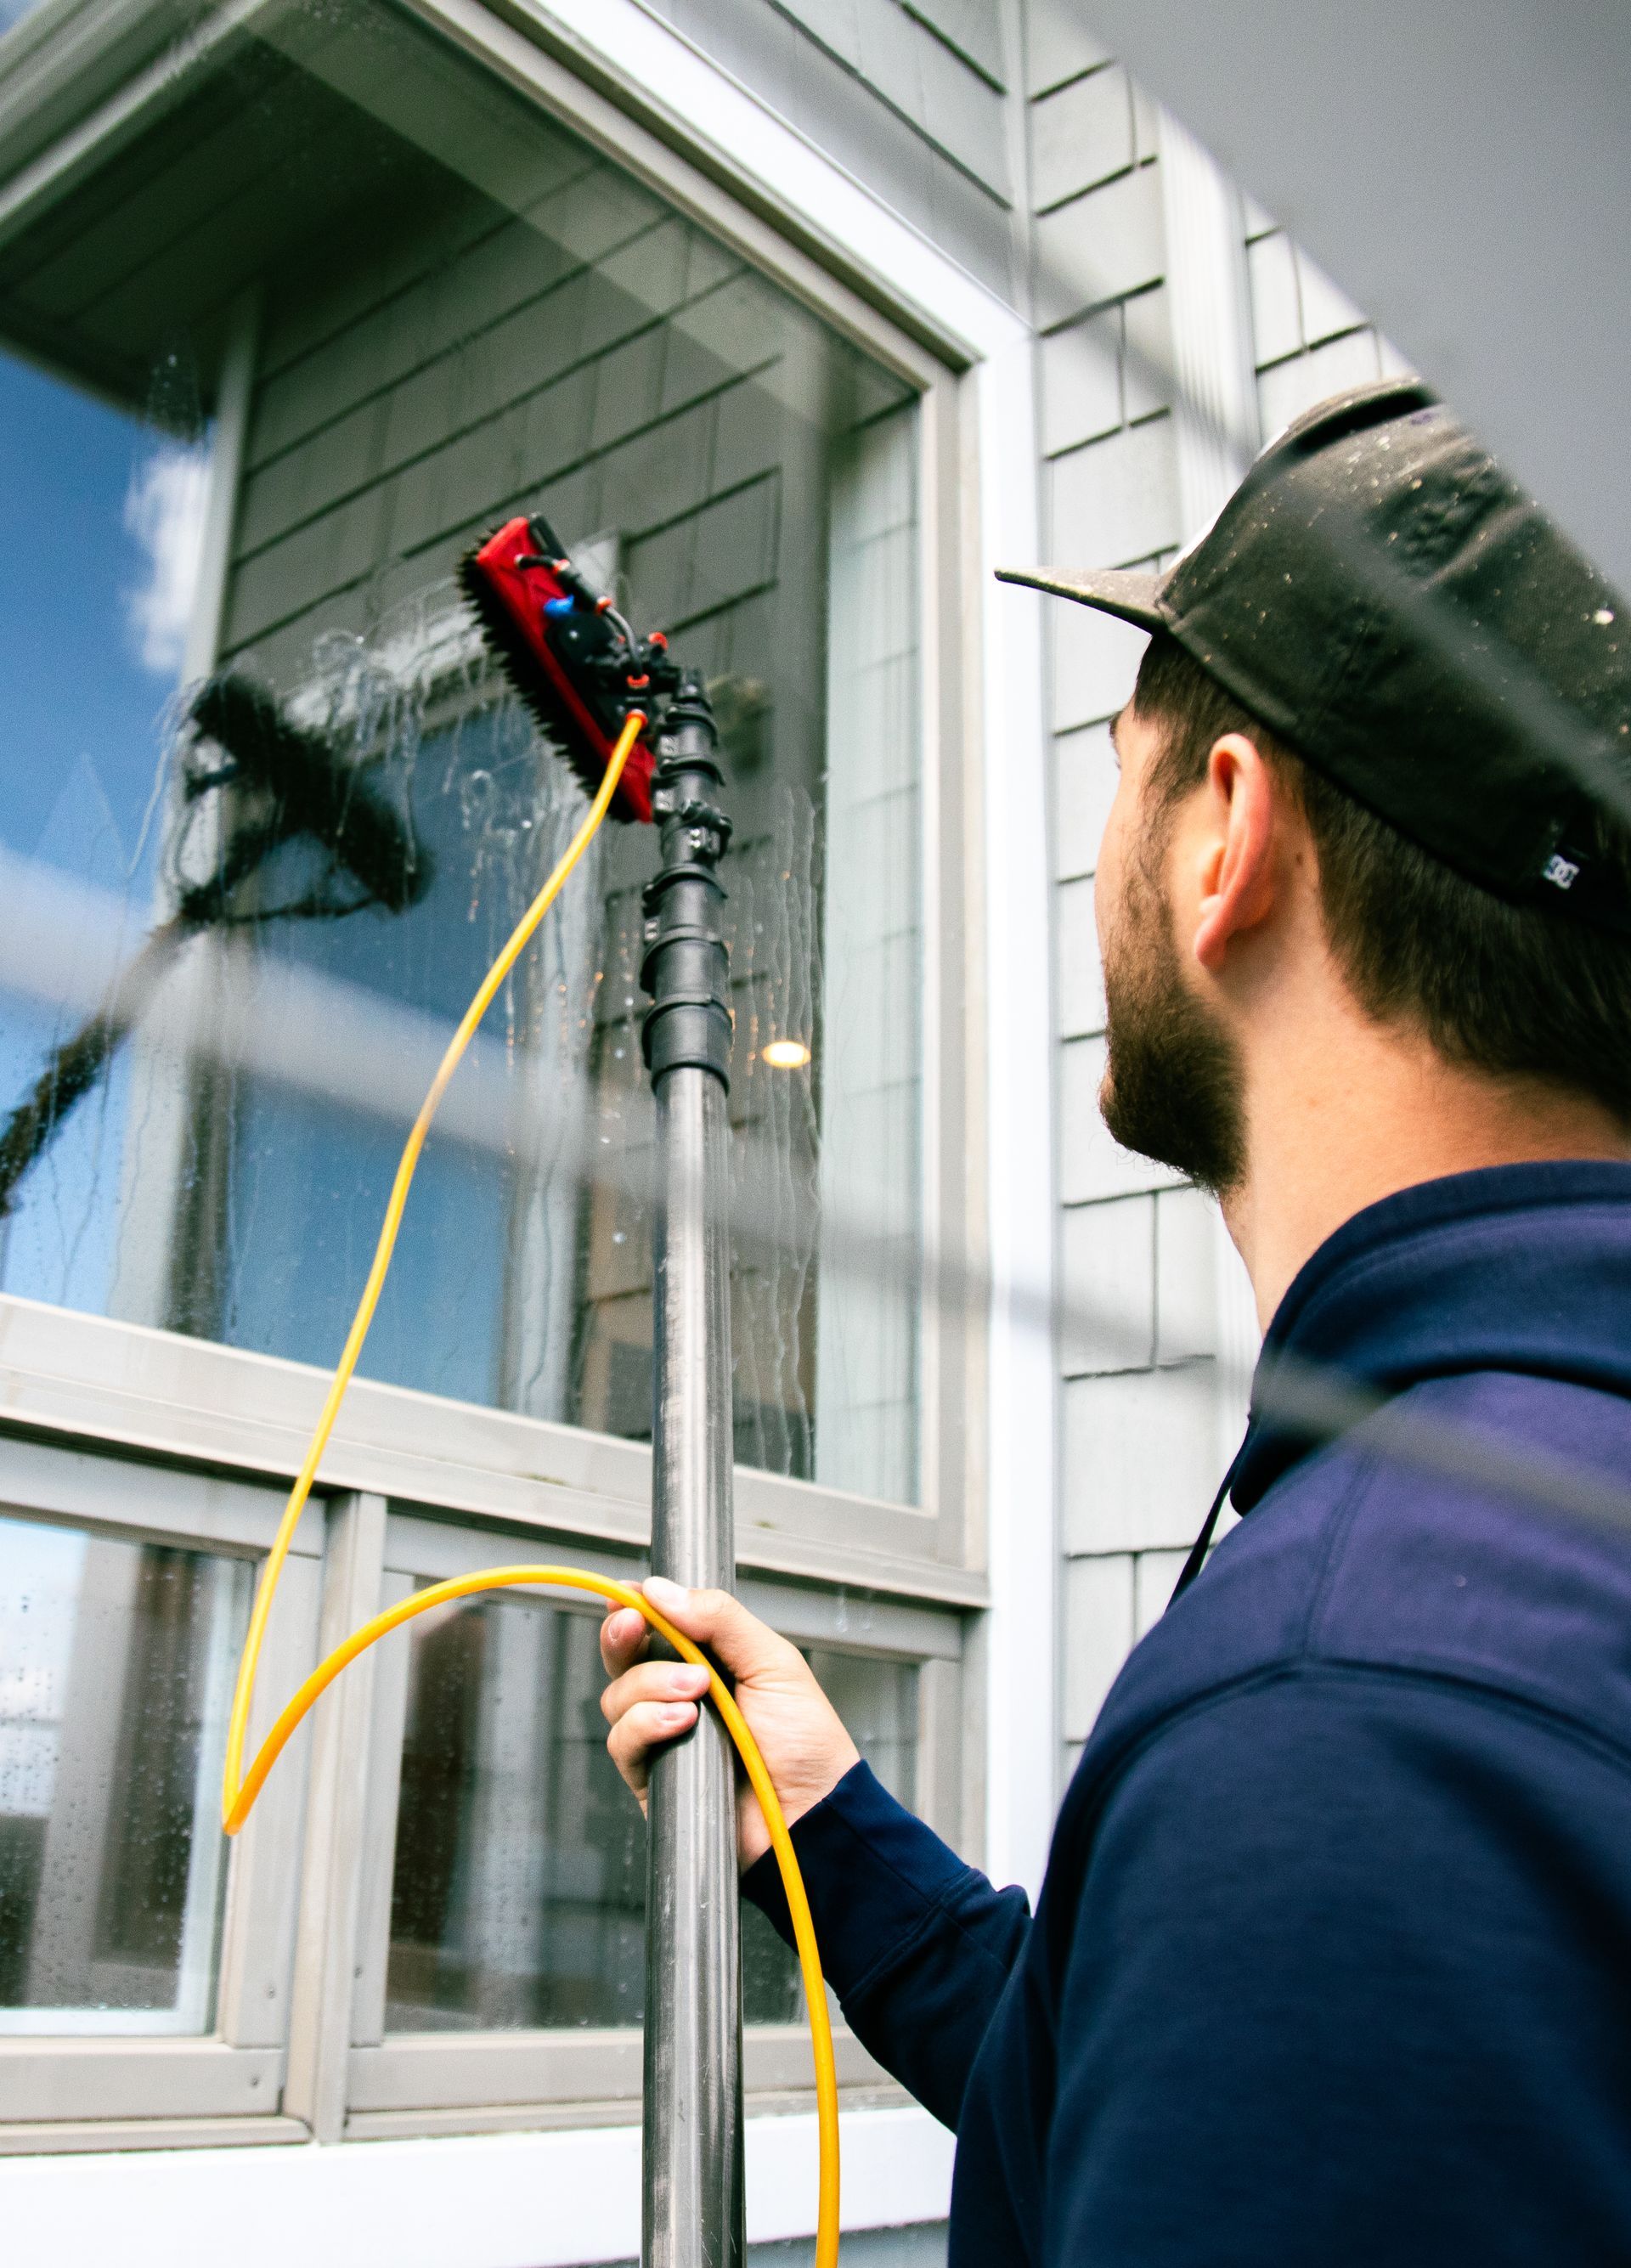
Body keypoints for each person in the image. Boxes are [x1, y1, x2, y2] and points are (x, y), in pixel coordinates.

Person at [599, 377, 1631, 2264]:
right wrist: (833, 1835)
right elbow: (1177, 2096)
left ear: (1225, 832)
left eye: (1121, 766)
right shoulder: (1521, 1551)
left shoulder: (1355, 1724)